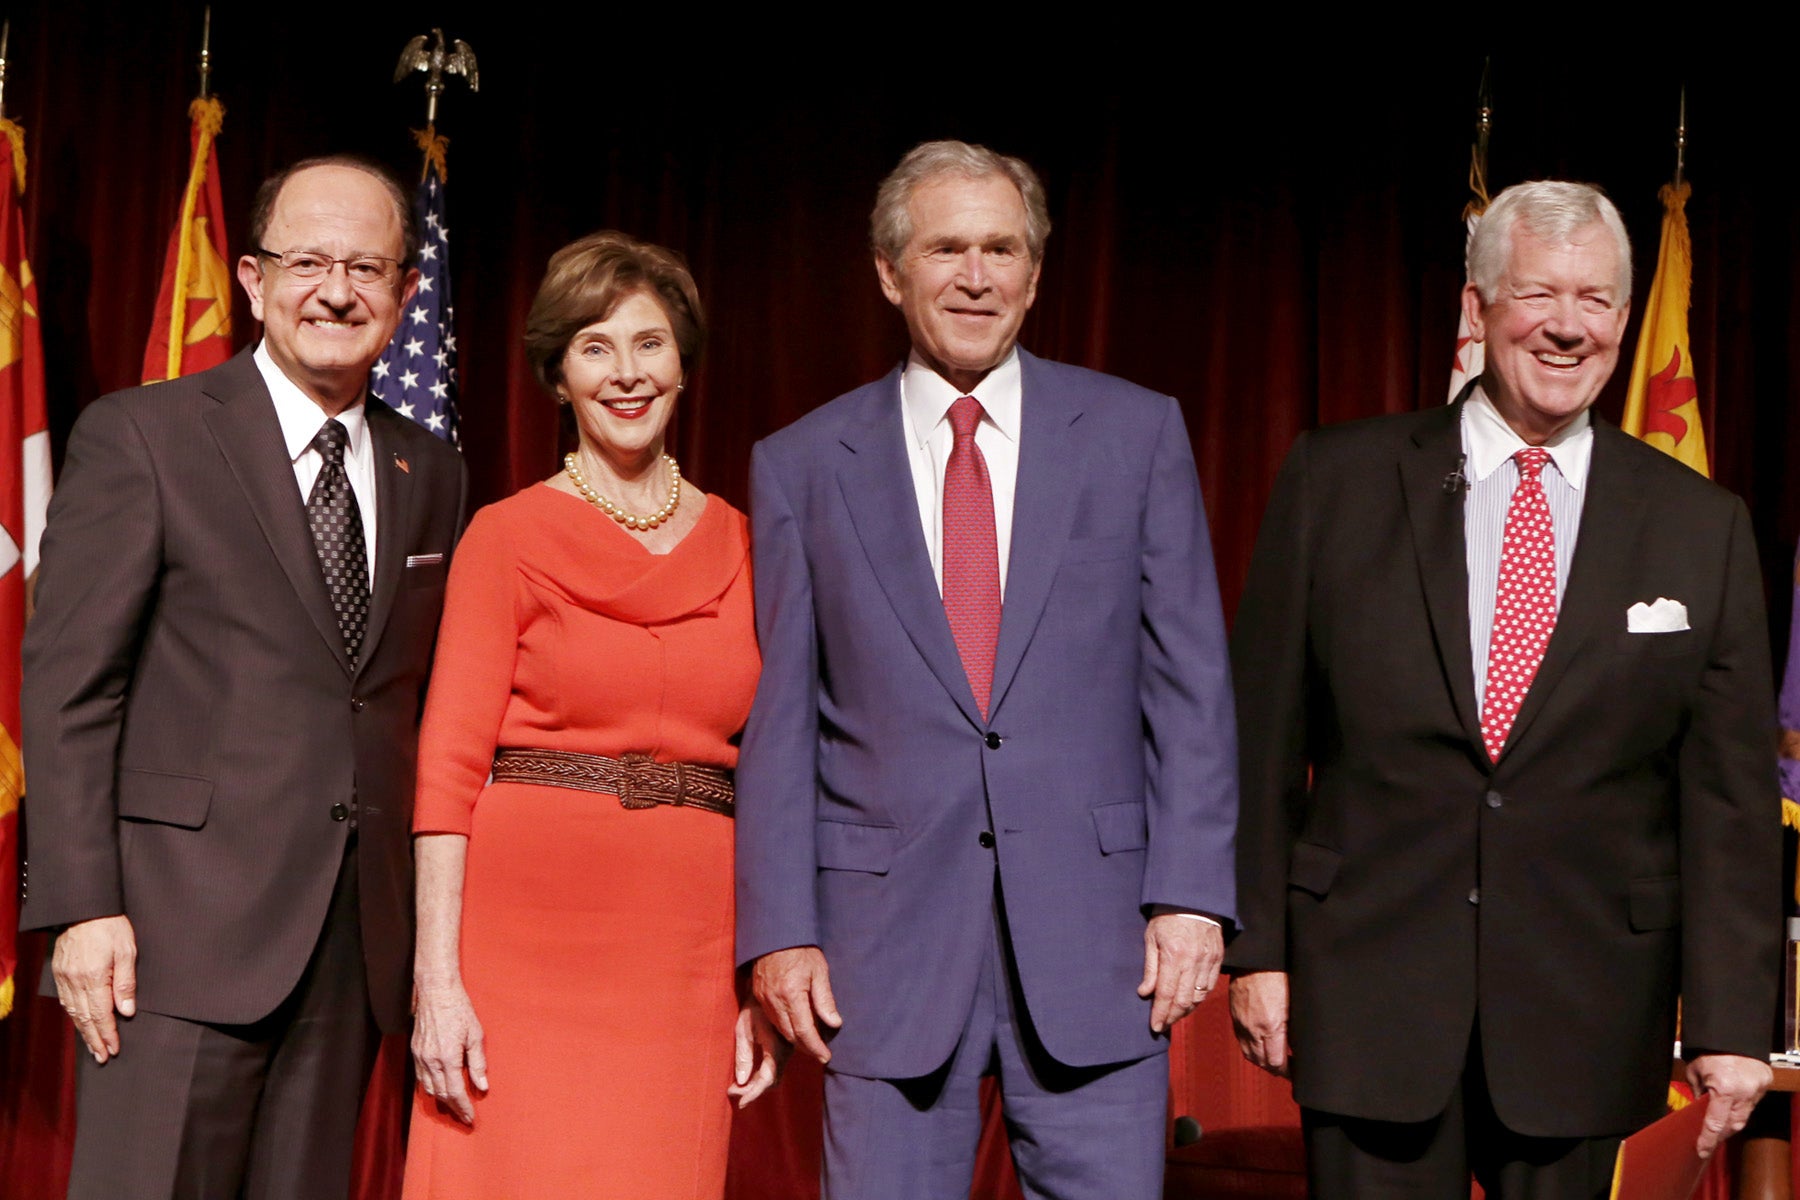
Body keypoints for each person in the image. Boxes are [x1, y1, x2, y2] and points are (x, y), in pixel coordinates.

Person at [1227, 180, 1779, 1197]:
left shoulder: (1703, 526)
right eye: (1539, 295)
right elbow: (1259, 743)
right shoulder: (1333, 483)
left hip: (1591, 1009)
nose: (1569, 327)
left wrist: (1735, 1023)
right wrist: (1257, 950)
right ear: (1479, 310)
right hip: (1370, 994)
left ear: (1624, 319)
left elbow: (1732, 801)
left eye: (1598, 300)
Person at [736, 139, 1238, 1199]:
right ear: (888, 272)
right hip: (881, 951)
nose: (976, 276)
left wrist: (1191, 894)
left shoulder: (1135, 433)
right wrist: (781, 931)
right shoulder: (801, 465)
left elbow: (1190, 685)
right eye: (947, 248)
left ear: (1036, 272)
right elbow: (781, 721)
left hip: (1102, 947)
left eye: (1001, 249)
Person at [18, 156, 466, 1199]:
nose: (338, 290)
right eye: (309, 261)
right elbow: (71, 685)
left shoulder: (431, 470)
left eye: (367, 266)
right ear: (256, 281)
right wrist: (82, 906)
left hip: (352, 948)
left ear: (406, 294)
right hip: (168, 945)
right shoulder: (146, 436)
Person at [402, 231, 781, 1200]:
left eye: (649, 344)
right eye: (595, 347)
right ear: (558, 375)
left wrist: (751, 981)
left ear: (684, 365)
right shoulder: (506, 537)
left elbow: (778, 776)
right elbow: (446, 773)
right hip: (522, 942)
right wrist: (437, 983)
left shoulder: (748, 544)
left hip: (685, 947)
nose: (627, 373)